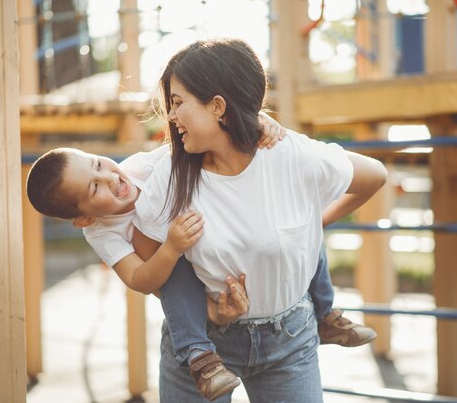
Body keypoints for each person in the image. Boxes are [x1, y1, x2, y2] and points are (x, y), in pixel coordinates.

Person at [25, 116, 377, 401]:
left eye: (98, 164)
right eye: (94, 188)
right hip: (186, 273)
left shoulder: (142, 167)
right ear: (84, 218)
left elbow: (197, 139)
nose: (109, 177)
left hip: (243, 278)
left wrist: (258, 122)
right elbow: (141, 280)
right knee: (173, 271)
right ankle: (198, 354)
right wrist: (171, 248)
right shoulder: (100, 231)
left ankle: (325, 313)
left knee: (297, 225)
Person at [132, 38, 387, 403]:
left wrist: (314, 225)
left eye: (177, 103)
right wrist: (207, 311)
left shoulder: (290, 155)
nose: (170, 117)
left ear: (218, 106)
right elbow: (147, 251)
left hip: (289, 341)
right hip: (201, 352)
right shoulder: (171, 175)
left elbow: (375, 176)